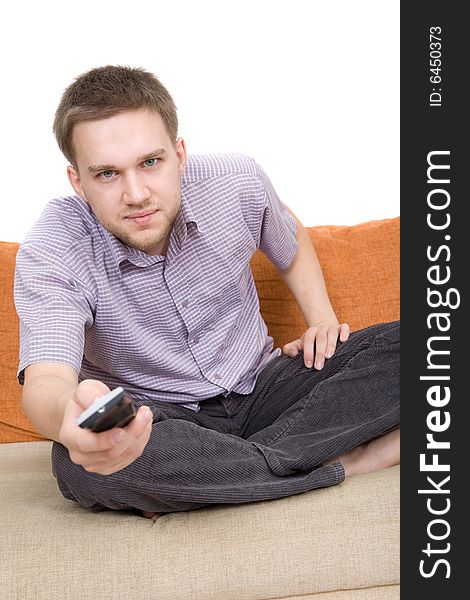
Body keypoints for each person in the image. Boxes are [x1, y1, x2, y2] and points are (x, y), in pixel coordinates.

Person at [14, 65, 400, 519]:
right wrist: (69, 419)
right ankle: (342, 462)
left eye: (150, 162)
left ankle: (222, 476)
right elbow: (47, 380)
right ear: (77, 181)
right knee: (76, 466)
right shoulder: (54, 246)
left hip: (266, 387)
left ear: (179, 153)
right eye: (107, 174)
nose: (136, 193)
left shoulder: (234, 181)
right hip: (159, 420)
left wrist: (322, 319)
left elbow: (288, 236)